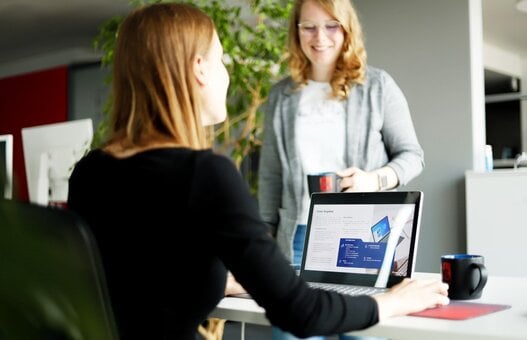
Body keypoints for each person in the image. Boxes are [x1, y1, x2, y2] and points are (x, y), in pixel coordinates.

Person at [67, 2, 447, 340]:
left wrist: (220, 281)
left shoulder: (88, 172)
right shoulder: (207, 173)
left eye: (331, 26)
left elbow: (146, 279)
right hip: (296, 236)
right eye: (221, 61)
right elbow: (303, 313)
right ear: (199, 69)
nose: (227, 75)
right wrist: (393, 302)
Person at [258, 0, 425, 338]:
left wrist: (374, 179)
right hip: (299, 240)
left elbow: (412, 155)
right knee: (293, 331)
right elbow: (271, 175)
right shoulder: (281, 96)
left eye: (331, 25)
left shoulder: (378, 86)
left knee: (361, 331)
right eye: (308, 26)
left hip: (365, 237)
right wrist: (262, 240)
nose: (319, 37)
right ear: (296, 32)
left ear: (347, 29)